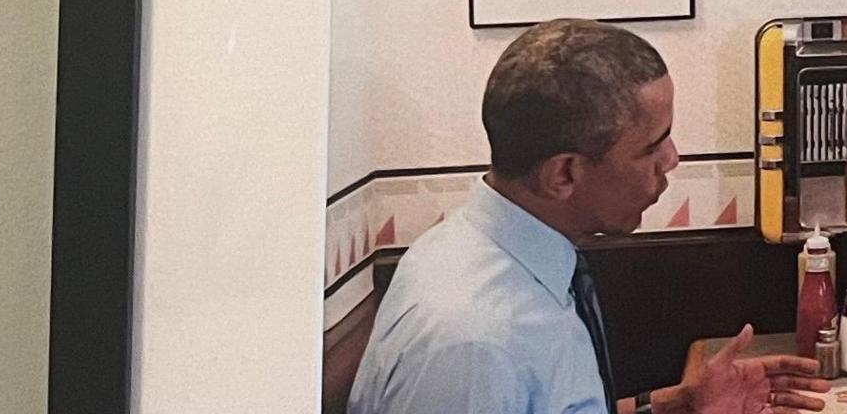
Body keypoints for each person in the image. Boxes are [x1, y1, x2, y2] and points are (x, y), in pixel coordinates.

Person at [349, 20, 820, 414]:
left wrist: (680, 404)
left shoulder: (478, 253)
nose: (672, 159)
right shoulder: (475, 344)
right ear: (563, 174)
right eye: (653, 146)